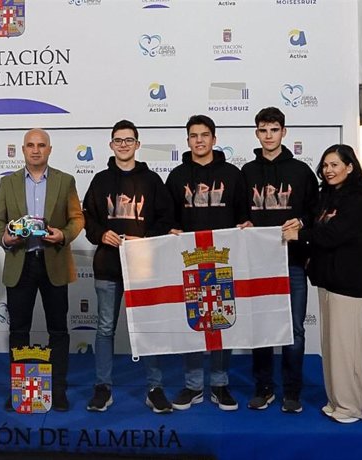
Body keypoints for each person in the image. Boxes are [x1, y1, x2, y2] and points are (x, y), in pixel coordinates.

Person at [82, 120, 175, 413]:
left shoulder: (152, 181)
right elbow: (88, 220)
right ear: (111, 145)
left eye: (128, 140)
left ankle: (154, 388)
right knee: (105, 328)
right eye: (118, 140)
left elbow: (167, 218)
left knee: (148, 329)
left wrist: (145, 238)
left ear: (137, 144)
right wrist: (101, 234)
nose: (123, 144)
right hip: (108, 266)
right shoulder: (99, 180)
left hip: (143, 268)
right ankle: (103, 387)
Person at [0, 128, 84, 412]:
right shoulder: (8, 183)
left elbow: (77, 219)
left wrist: (63, 235)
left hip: (53, 260)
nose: (35, 150)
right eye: (30, 145)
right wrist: (5, 237)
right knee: (19, 331)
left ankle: (58, 391)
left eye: (41, 145)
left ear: (50, 149)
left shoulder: (65, 181)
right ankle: (20, 389)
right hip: (21, 262)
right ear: (23, 149)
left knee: (58, 331)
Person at [283, 144, 362, 424]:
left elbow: (334, 234)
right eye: (325, 165)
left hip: (348, 284)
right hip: (328, 282)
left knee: (347, 349)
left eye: (335, 165)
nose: (329, 170)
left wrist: (300, 236)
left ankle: (353, 406)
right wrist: (300, 226)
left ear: (350, 167)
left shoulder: (356, 200)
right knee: (332, 347)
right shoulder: (329, 196)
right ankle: (337, 401)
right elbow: (316, 223)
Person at [166, 115, 251, 412]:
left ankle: (219, 383)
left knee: (220, 321)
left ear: (215, 139)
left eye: (204, 135)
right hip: (189, 262)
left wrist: (246, 227)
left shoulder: (233, 174)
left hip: (223, 260)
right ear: (187, 140)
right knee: (192, 323)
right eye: (193, 135)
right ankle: (192, 386)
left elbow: (244, 215)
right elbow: (168, 219)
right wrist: (170, 230)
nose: (199, 140)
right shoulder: (176, 176)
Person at [242, 107, 319, 413]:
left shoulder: (301, 171)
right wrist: (244, 222)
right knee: (262, 327)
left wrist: (301, 221)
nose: (269, 135)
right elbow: (239, 211)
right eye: (263, 130)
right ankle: (264, 387)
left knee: (295, 329)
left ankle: (292, 391)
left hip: (294, 262)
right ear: (257, 133)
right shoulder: (247, 171)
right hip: (258, 263)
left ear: (284, 132)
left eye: (274, 129)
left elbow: (315, 212)